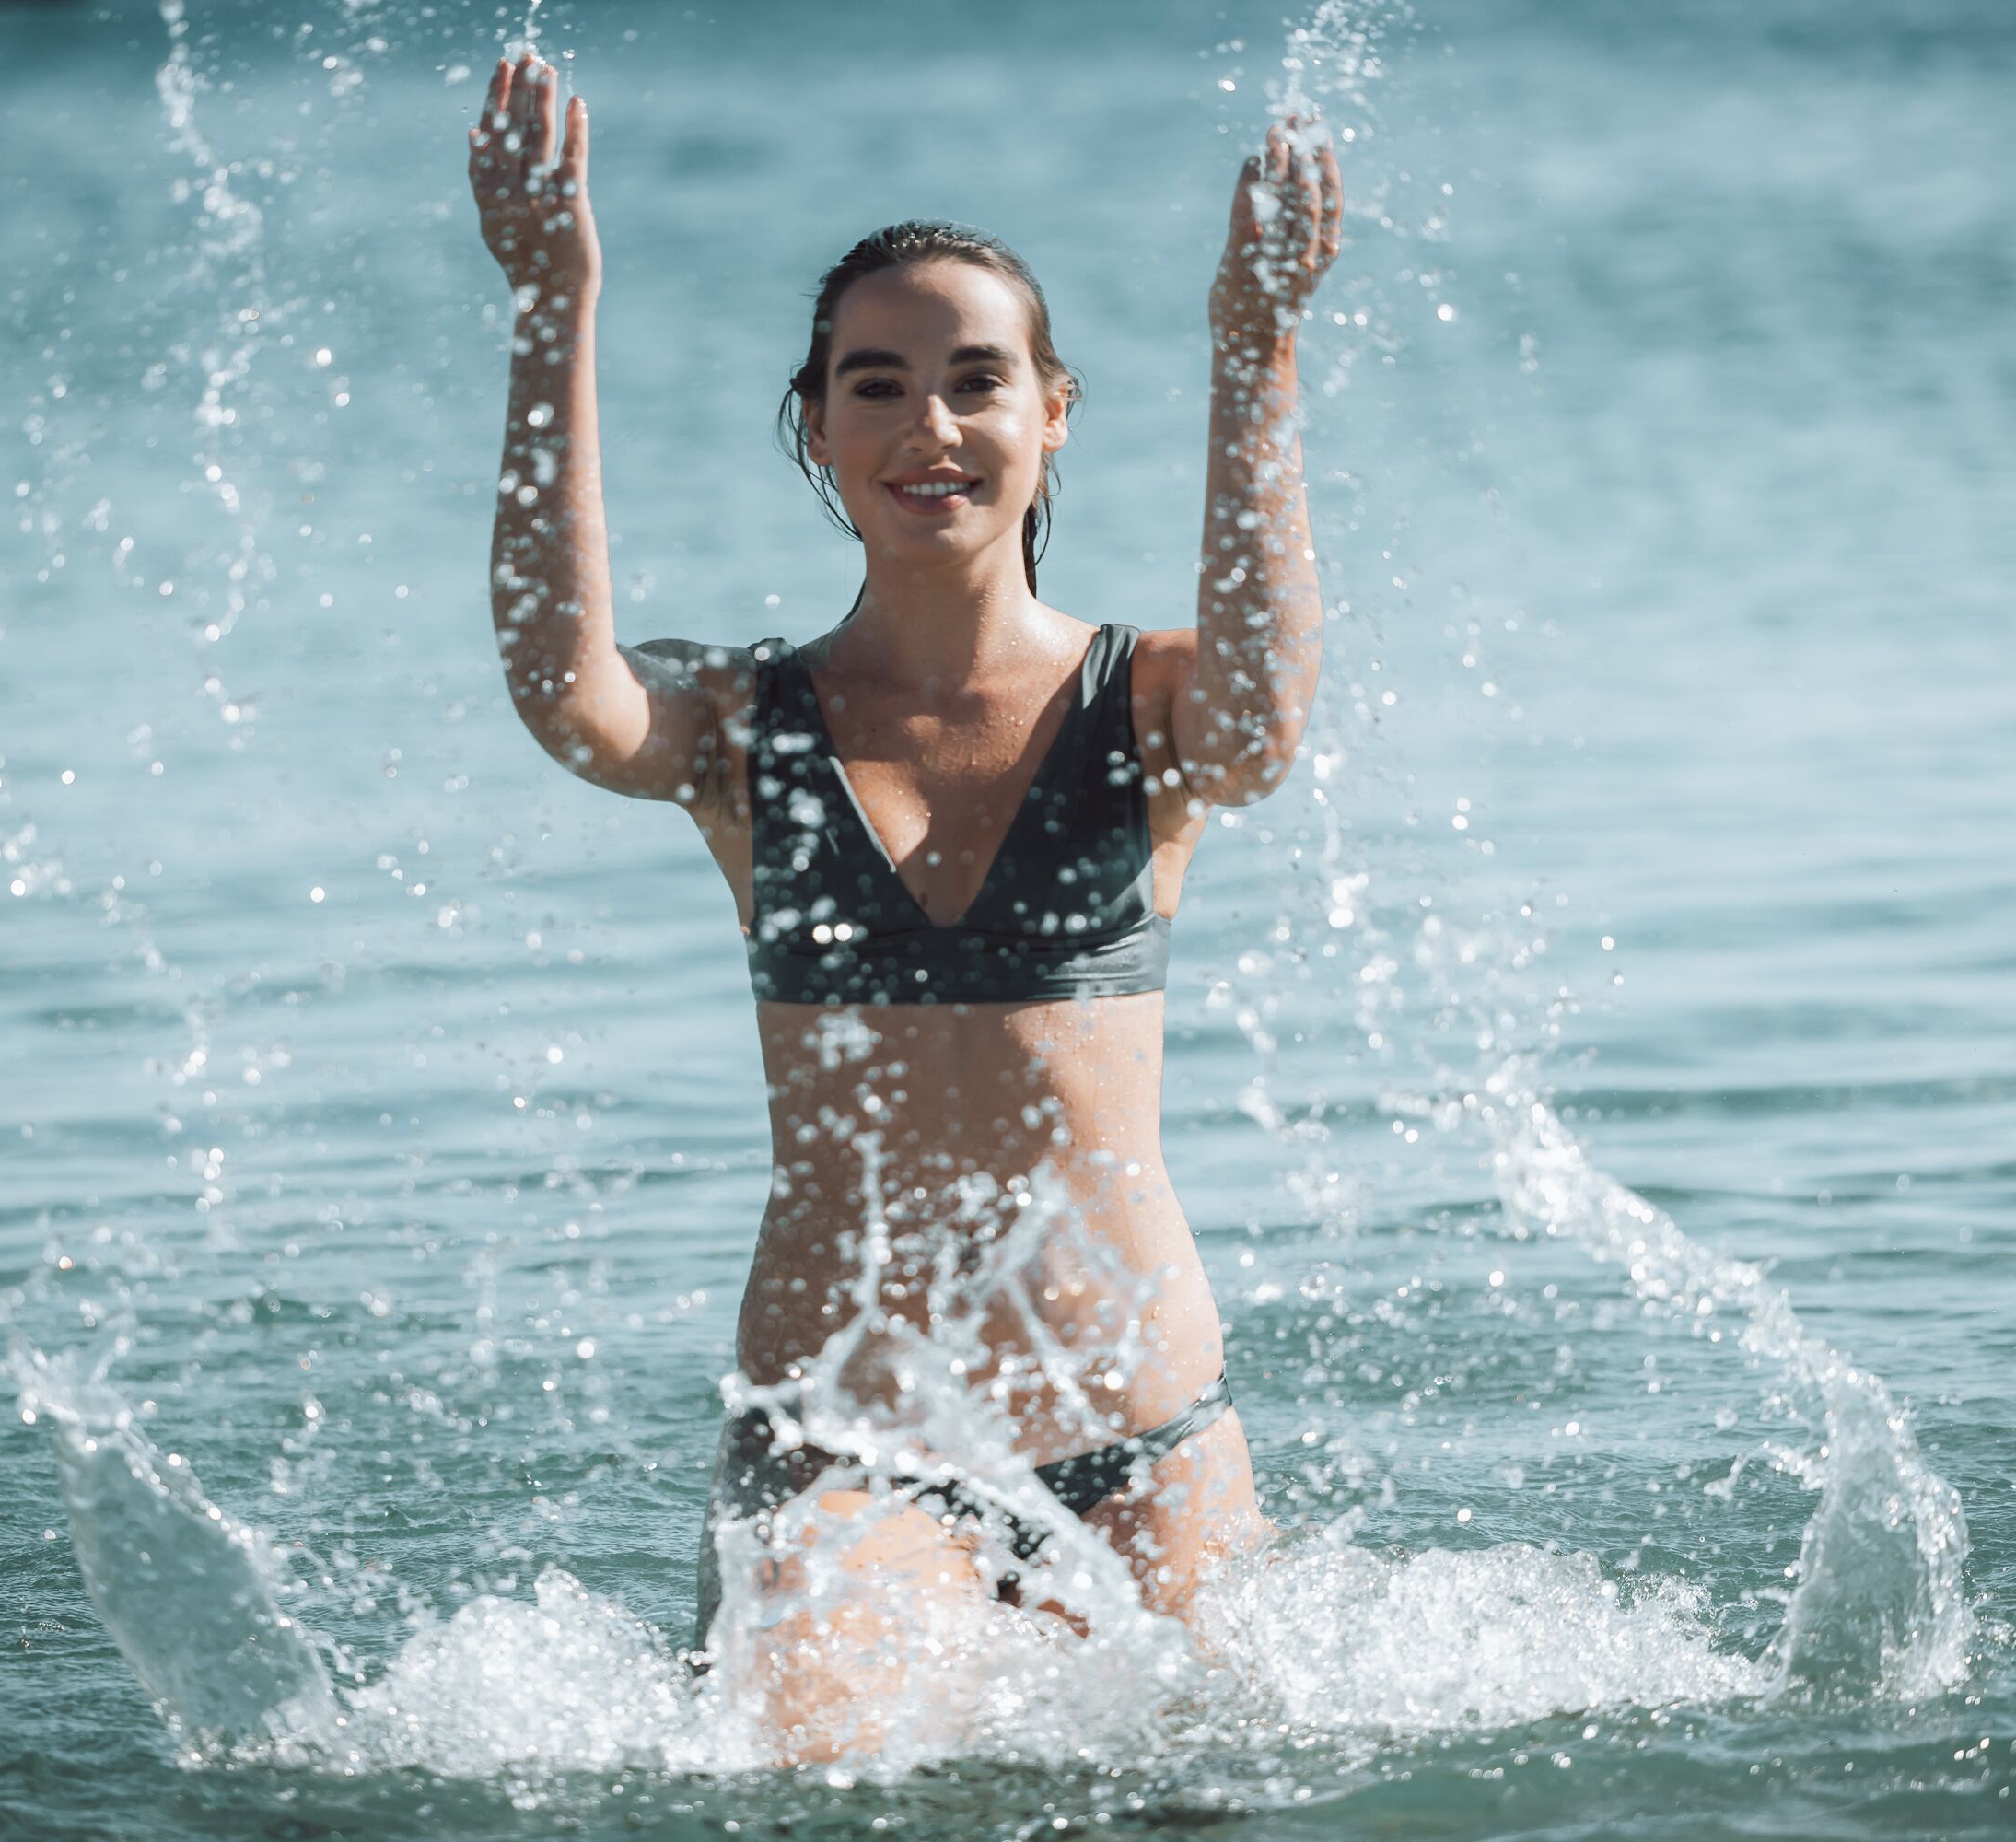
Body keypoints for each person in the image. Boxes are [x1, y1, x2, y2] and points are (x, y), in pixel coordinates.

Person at [467, 51, 1339, 1735]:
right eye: (876, 385)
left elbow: (1271, 721)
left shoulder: (1147, 705)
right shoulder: (745, 728)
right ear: (818, 426)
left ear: (1051, 411)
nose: (929, 426)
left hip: (1147, 1449)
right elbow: (566, 690)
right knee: (821, 1775)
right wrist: (549, 303)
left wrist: (1260, 347)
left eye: (975, 380)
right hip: (844, 1460)